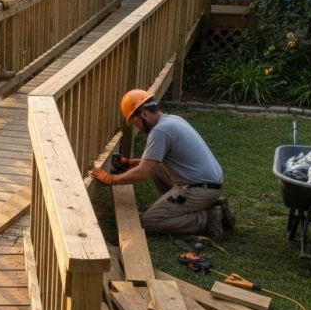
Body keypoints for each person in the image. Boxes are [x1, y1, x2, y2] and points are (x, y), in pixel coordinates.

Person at [91, 89, 235, 239]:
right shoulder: (172, 120)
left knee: (149, 222)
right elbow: (152, 162)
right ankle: (185, 208)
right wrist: (129, 163)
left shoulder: (160, 131)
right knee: (157, 167)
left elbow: (142, 173)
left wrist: (110, 179)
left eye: (135, 121)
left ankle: (208, 219)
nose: (137, 126)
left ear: (144, 114)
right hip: (207, 184)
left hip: (200, 189)